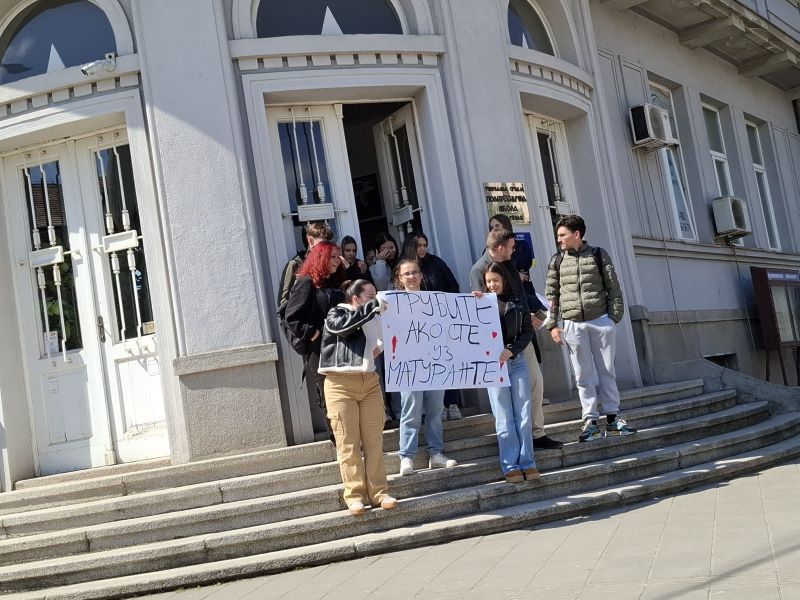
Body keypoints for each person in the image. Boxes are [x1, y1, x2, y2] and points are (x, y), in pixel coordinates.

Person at [544, 214, 635, 442]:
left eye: (563, 235)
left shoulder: (598, 254)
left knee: (607, 372)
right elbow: (551, 296)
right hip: (573, 324)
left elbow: (613, 287)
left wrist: (613, 319)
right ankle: (591, 422)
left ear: (577, 234)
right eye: (558, 235)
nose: (559, 239)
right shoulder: (556, 260)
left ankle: (613, 420)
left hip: (600, 321)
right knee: (582, 375)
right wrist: (552, 325)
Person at [470, 229, 563, 450]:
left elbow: (519, 296)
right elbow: (482, 308)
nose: (514, 250)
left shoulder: (509, 264)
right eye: (512, 247)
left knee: (534, 384)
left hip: (521, 336)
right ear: (500, 248)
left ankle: (536, 433)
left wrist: (534, 313)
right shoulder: (479, 270)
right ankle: (514, 439)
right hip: (498, 343)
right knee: (504, 398)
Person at [318, 279, 397, 516]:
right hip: (340, 384)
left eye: (376, 295)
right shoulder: (336, 312)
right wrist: (372, 307)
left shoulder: (373, 315)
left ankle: (380, 493)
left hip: (369, 382)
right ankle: (354, 496)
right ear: (355, 299)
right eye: (370, 295)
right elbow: (342, 328)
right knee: (348, 443)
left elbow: (385, 335)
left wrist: (379, 348)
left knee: (374, 441)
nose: (375, 299)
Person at [474, 262, 539, 483]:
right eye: (488, 281)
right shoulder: (480, 303)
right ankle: (510, 466)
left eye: (496, 280)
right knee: (503, 416)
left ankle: (528, 463)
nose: (492, 285)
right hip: (494, 365)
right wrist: (471, 304)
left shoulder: (518, 301)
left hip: (517, 361)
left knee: (523, 413)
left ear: (504, 280)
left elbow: (527, 331)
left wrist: (512, 350)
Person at [393, 258, 458, 476]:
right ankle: (407, 456)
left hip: (435, 363)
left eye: (415, 272)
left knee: (435, 409)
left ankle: (436, 453)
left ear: (421, 275)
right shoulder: (393, 303)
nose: (412, 277)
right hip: (409, 365)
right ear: (400, 279)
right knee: (410, 409)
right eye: (407, 274)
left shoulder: (436, 301)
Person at [284, 242, 345, 436]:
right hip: (319, 349)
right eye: (333, 256)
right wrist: (312, 332)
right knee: (329, 394)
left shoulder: (333, 281)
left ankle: (349, 438)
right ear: (322, 257)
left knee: (344, 393)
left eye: (338, 256)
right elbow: (291, 316)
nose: (338, 260)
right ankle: (340, 442)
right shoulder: (305, 281)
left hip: (341, 346)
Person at [401, 232, 463, 421]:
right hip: (416, 328)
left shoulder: (436, 263)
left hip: (440, 322)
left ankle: (451, 403)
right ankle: (434, 407)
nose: (422, 248)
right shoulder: (404, 267)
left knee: (445, 361)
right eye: (418, 245)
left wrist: (443, 304)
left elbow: (453, 285)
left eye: (425, 245)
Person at [277, 221, 333, 310]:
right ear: (310, 241)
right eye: (322, 243)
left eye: (328, 244)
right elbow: (283, 301)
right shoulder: (295, 265)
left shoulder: (331, 264)